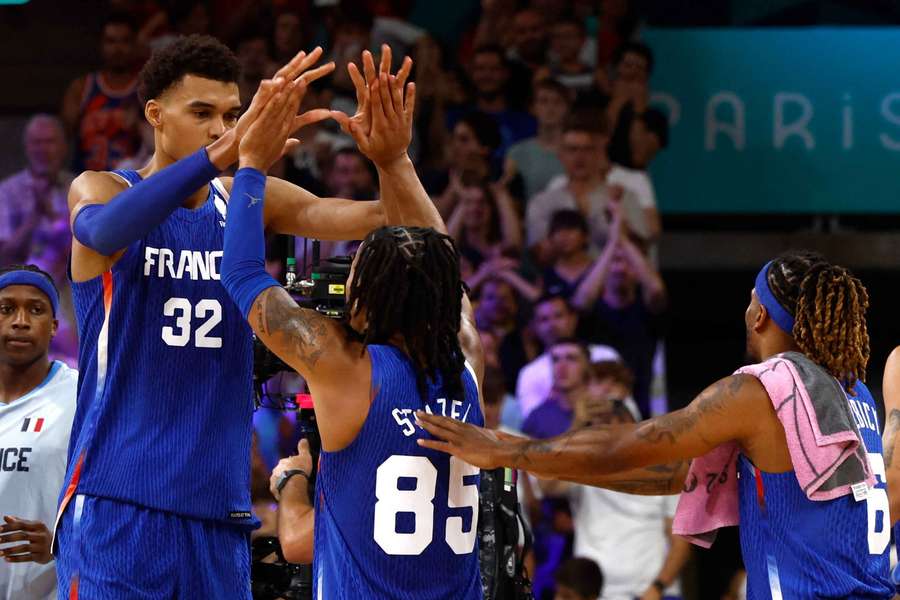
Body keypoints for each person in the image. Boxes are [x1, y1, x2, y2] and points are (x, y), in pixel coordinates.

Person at [54, 38, 386, 598]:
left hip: (218, 512)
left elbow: (381, 219)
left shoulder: (245, 199)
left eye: (233, 116)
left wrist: (392, 159)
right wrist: (227, 151)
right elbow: (104, 232)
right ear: (156, 115)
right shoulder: (101, 187)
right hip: (117, 500)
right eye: (202, 114)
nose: (221, 129)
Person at [419, 251, 894, 598]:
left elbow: (633, 444)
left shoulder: (765, 389)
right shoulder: (853, 396)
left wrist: (508, 451)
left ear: (759, 313)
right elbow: (675, 476)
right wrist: (541, 460)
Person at [221, 47, 485, 598]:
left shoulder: (346, 368)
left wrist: (250, 164)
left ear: (368, 296)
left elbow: (243, 274)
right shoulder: (466, 357)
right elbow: (442, 266)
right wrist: (395, 162)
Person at [540, 361, 689, 600]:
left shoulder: (665, 463)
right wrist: (578, 424)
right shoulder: (583, 463)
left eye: (616, 404)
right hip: (594, 593)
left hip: (653, 593)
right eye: (600, 408)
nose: (610, 417)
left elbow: (680, 539)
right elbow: (547, 486)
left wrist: (658, 588)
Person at [0, 265, 78, 600]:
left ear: (54, 328)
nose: (20, 321)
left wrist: (63, 543)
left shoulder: (82, 396)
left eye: (35, 309)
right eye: (6, 309)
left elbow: (117, 500)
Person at [0, 115, 77, 366]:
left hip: (69, 285)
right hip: (18, 283)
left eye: (50, 142)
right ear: (27, 147)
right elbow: (5, 256)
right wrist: (35, 215)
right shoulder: (9, 190)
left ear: (64, 147)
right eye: (36, 143)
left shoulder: (78, 187)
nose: (43, 149)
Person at [572, 212, 666, 416]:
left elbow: (657, 289)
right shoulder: (593, 307)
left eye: (627, 262)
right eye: (614, 261)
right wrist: (613, 241)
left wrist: (621, 238)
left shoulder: (645, 306)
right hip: (593, 408)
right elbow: (580, 300)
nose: (620, 268)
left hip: (637, 411)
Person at [61, 13, 143, 172]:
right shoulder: (81, 87)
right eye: (111, 41)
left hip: (131, 187)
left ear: (134, 45)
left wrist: (139, 127)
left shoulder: (146, 89)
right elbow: (61, 140)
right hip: (86, 186)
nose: (118, 49)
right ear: (101, 45)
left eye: (124, 41)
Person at [516, 295, 619, 419]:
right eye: (544, 319)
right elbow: (532, 422)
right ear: (535, 326)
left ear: (573, 319)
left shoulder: (605, 355)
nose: (552, 324)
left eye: (558, 316)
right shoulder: (529, 373)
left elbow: (626, 405)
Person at [504, 78, 570, 202]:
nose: (551, 108)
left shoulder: (578, 150)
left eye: (557, 102)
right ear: (533, 108)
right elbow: (508, 197)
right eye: (543, 101)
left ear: (567, 108)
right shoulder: (517, 152)